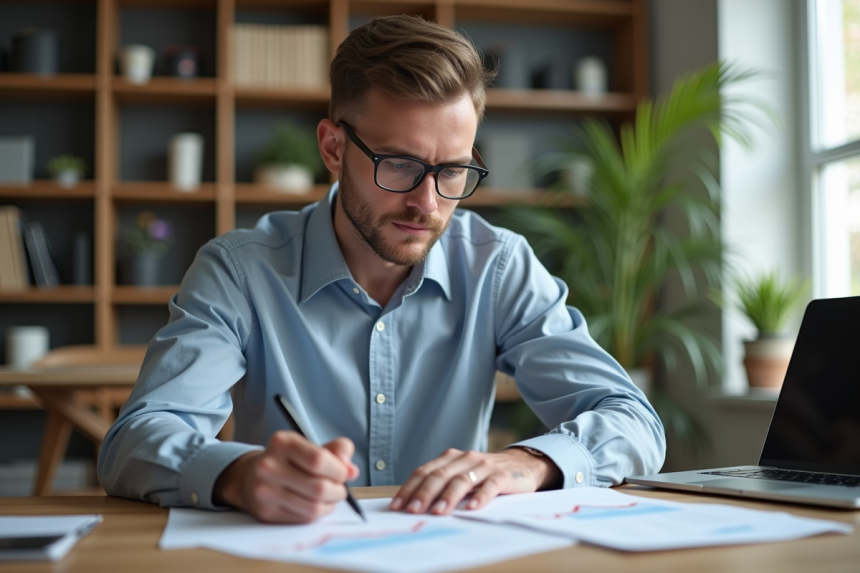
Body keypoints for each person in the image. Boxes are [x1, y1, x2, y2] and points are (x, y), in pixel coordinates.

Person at [98, 15, 665, 524]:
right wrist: (237, 475)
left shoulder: (498, 266)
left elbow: (632, 422)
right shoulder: (240, 271)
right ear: (332, 148)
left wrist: (532, 462)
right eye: (400, 164)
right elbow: (135, 440)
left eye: (453, 171)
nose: (428, 202)